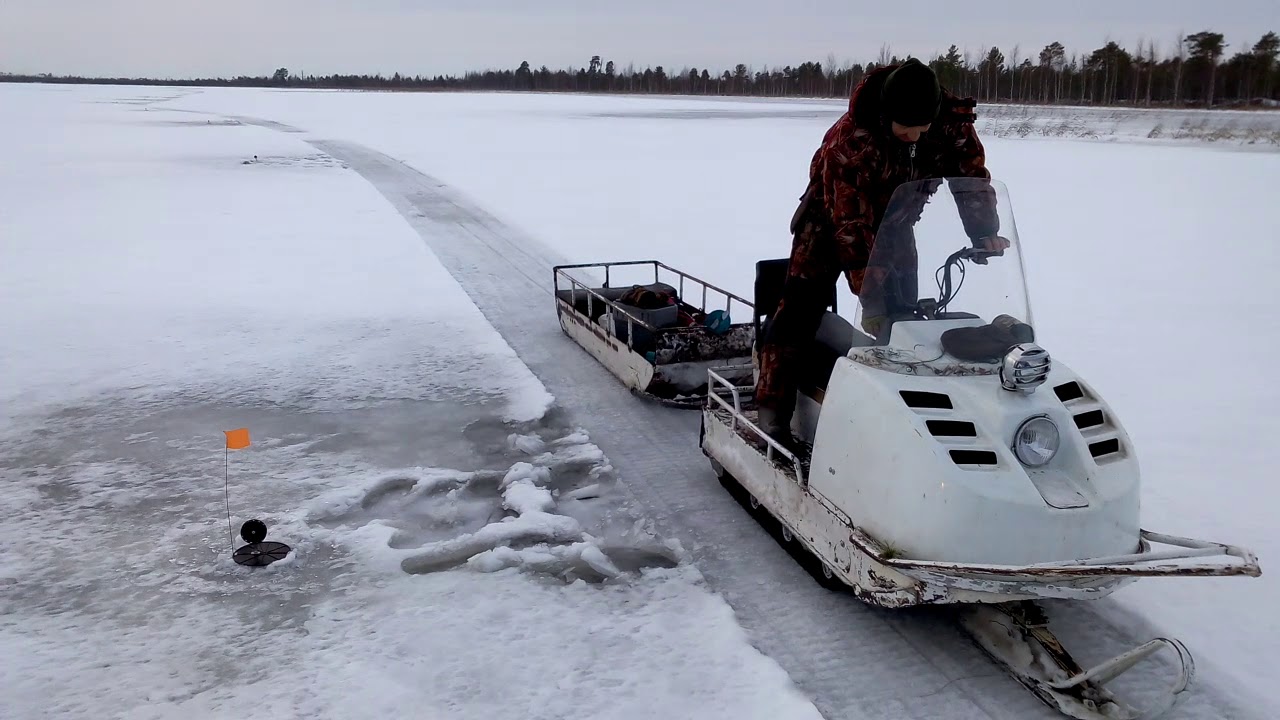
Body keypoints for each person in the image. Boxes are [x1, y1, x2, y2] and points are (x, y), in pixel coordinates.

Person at [754, 58, 1006, 444]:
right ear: (887, 114)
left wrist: (984, 231)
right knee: (799, 314)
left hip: (897, 224)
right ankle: (773, 409)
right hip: (825, 225)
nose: (914, 137)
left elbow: (969, 174)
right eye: (905, 128)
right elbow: (849, 224)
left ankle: (901, 416)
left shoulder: (951, 125)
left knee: (904, 319)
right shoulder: (851, 141)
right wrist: (868, 287)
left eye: (922, 129)